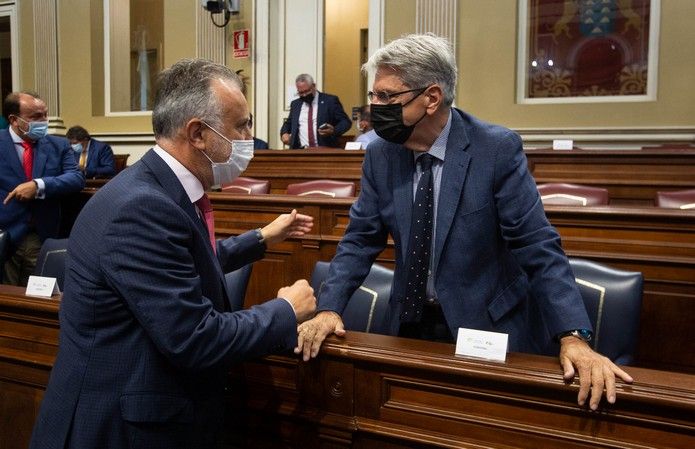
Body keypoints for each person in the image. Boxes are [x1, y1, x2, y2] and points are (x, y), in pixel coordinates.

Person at [294, 34, 633, 411]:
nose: (374, 108)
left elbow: (537, 245)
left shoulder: (495, 149)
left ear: (432, 98)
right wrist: (329, 308)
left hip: (485, 329)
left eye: (387, 97)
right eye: (373, 96)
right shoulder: (380, 155)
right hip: (408, 324)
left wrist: (572, 336)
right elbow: (360, 241)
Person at [29, 59, 317, 449]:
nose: (250, 136)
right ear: (198, 133)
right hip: (118, 428)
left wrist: (261, 238)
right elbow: (195, 338)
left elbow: (182, 262)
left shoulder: (154, 188)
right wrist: (284, 310)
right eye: (242, 125)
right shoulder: (142, 207)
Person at [0, 91, 84, 286]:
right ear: (14, 119)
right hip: (5, 234)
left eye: (45, 114)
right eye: (36, 117)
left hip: (42, 235)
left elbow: (76, 178)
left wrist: (39, 185)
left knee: (36, 300)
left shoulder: (59, 145)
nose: (44, 121)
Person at [280, 73, 351, 148]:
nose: (304, 95)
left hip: (325, 150)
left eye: (307, 91)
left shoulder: (329, 101)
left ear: (313, 86)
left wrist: (334, 131)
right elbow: (289, 123)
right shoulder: (296, 104)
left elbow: (345, 122)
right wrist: (284, 133)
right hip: (301, 152)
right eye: (301, 93)